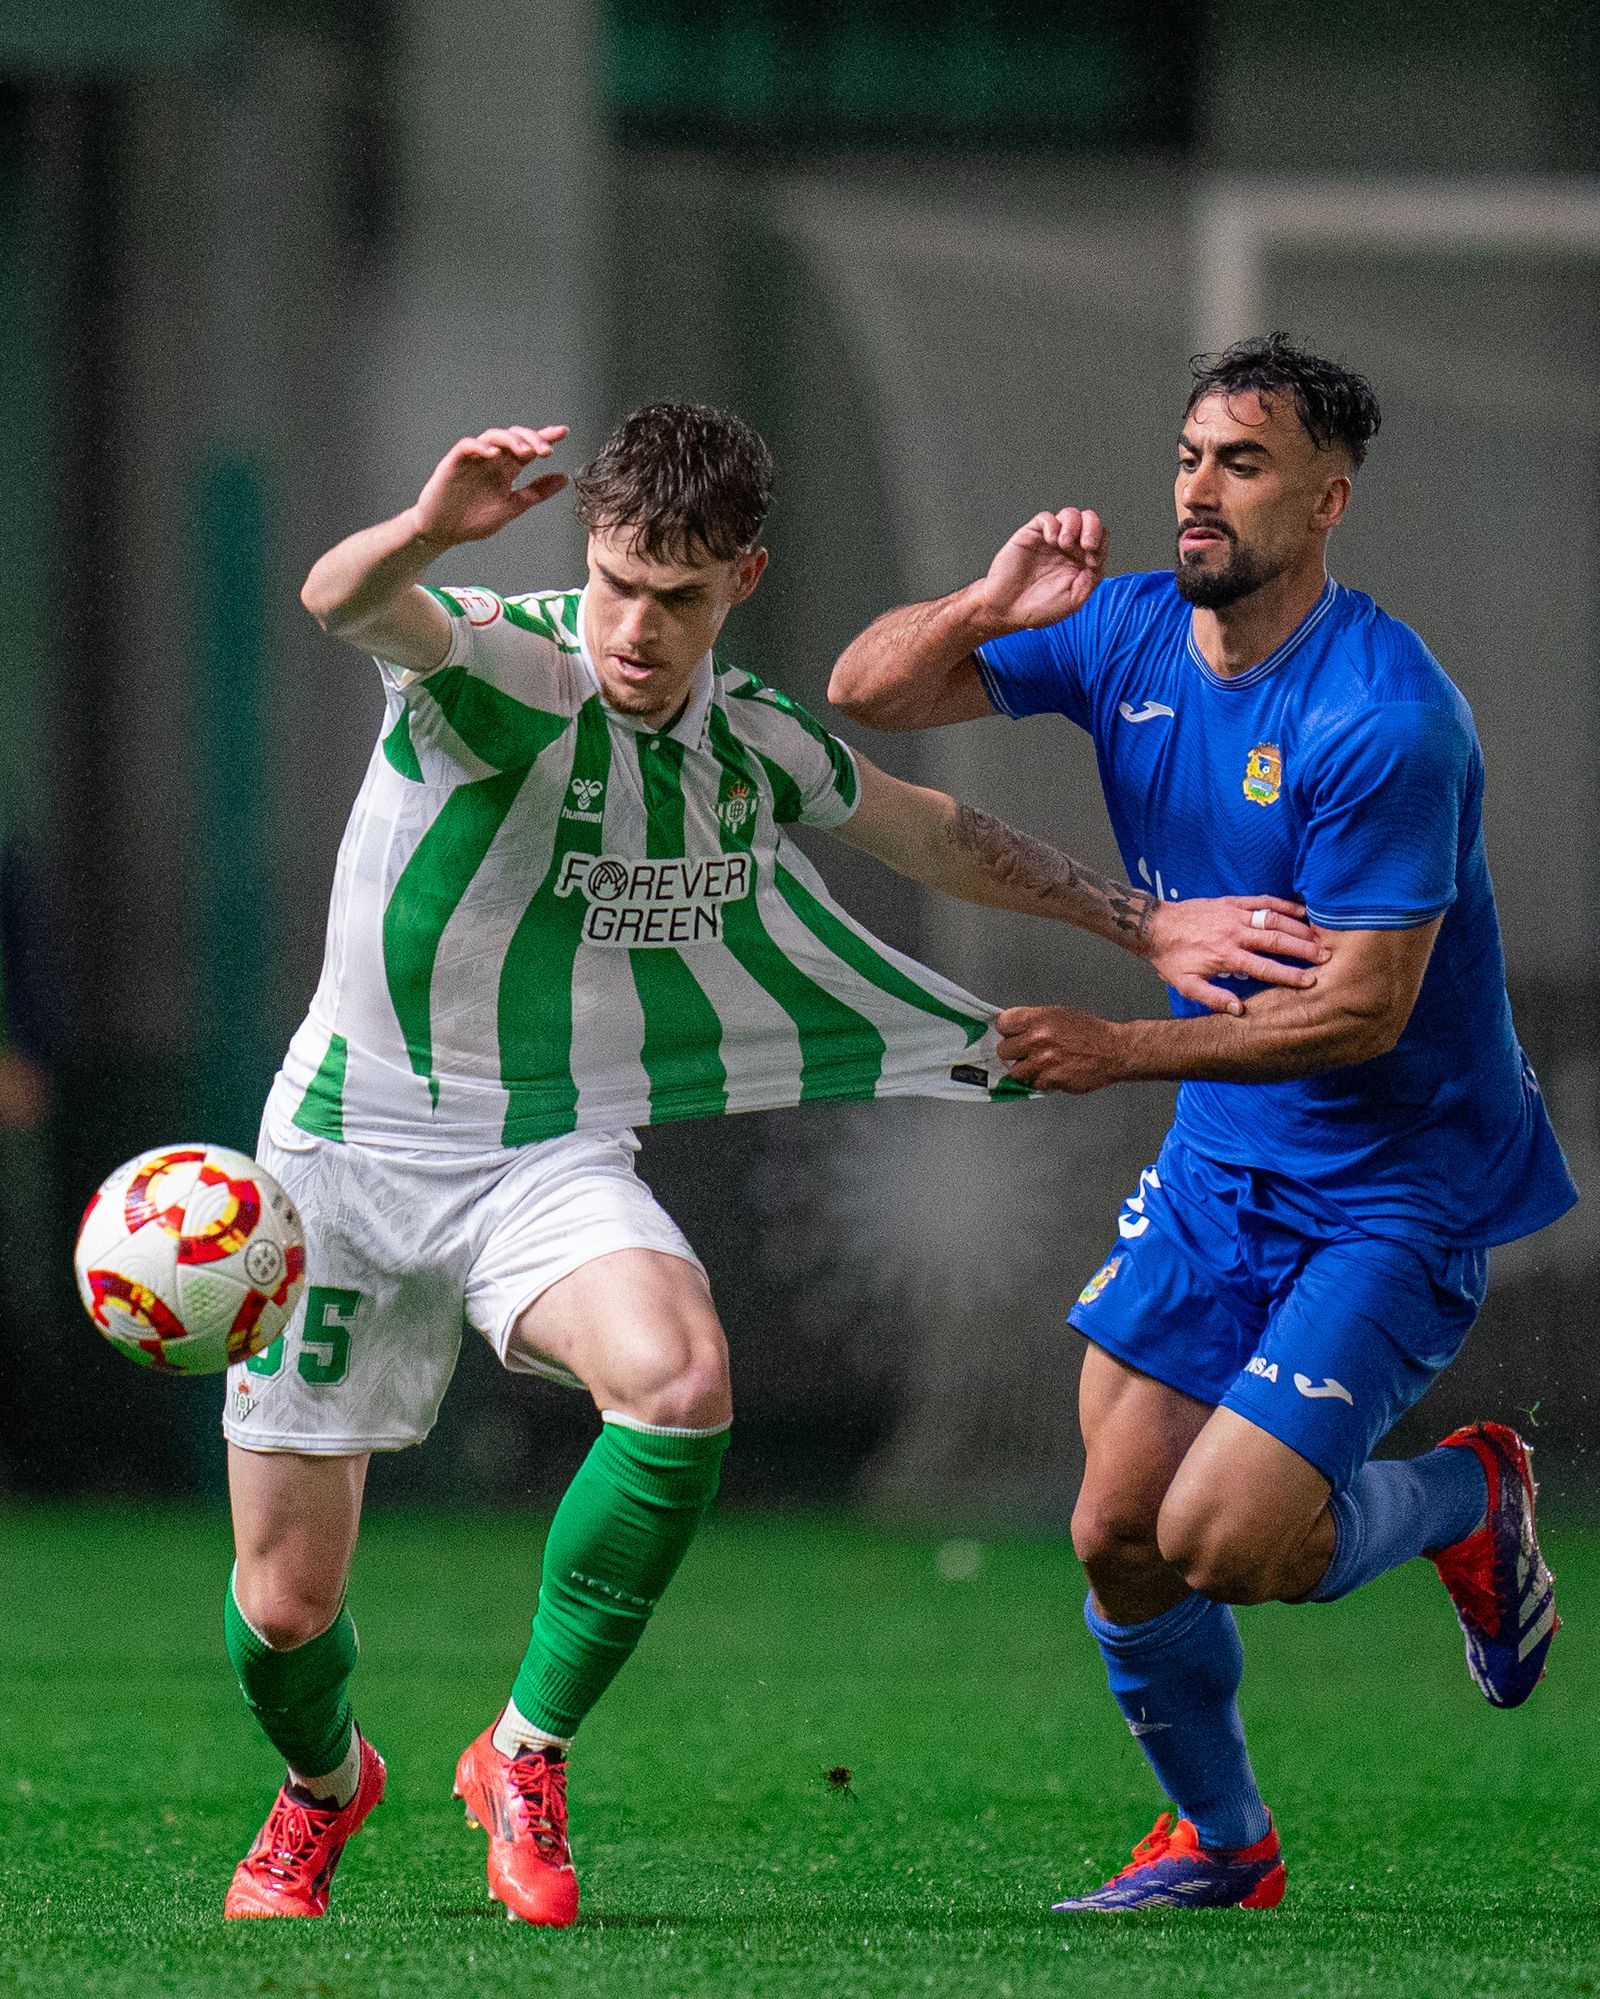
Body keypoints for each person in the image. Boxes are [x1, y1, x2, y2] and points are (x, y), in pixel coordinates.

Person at [219, 403, 1323, 1926]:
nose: (637, 628)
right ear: (584, 559)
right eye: (615, 581)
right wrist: (426, 530)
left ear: (742, 579)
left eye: (677, 597)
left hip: (540, 1152)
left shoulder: (747, 739)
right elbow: (339, 601)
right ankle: (326, 1789)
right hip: (343, 1160)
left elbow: (929, 830)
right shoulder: (501, 666)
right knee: (285, 1613)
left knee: (679, 1383)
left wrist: (1147, 925)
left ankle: (523, 1750)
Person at [829, 334, 1577, 1912]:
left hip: (1395, 1182)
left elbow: (1364, 1009)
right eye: (1187, 457)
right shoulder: (1126, 635)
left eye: (1241, 464)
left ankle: (1467, 1494)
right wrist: (985, 605)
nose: (1197, 491)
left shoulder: (1387, 716)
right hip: (1233, 1164)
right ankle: (1224, 1846)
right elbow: (864, 692)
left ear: (1327, 499)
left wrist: (1117, 1043)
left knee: (1231, 1542)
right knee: (1116, 1529)